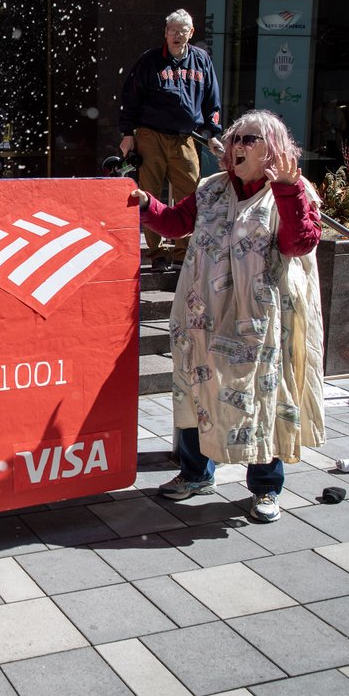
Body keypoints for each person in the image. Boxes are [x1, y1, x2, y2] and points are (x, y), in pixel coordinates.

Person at [129, 110, 325, 523]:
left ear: (273, 147)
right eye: (236, 137)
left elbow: (299, 243)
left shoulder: (291, 190)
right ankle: (196, 473)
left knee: (261, 395)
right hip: (204, 314)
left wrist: (288, 190)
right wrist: (147, 204)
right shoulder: (212, 189)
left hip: (260, 318)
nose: (238, 145)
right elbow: (177, 223)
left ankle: (266, 487)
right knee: (198, 389)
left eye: (251, 139)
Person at [120, 8, 224, 271]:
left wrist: (212, 133)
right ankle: (155, 252)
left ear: (192, 33)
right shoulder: (150, 60)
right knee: (150, 192)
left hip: (186, 138)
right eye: (173, 30)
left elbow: (213, 101)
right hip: (150, 135)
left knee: (189, 193)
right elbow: (131, 97)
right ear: (165, 33)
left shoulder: (201, 61)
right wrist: (127, 135)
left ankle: (183, 251)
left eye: (183, 31)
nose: (177, 35)